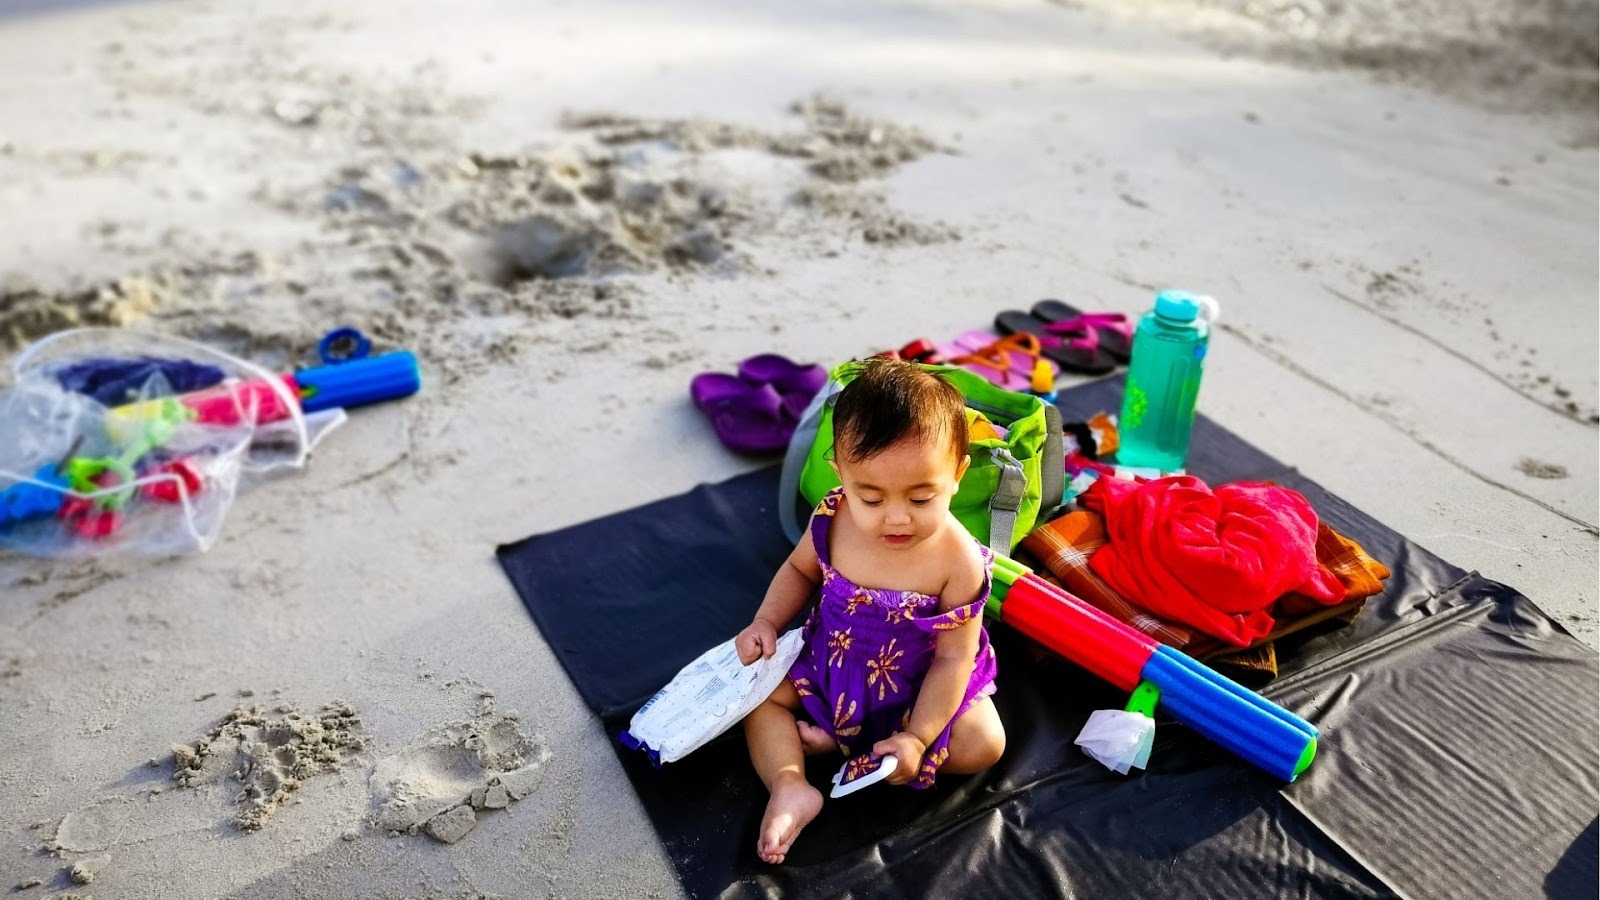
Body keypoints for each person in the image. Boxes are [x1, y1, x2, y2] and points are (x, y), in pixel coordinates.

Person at [735, 358, 1006, 865]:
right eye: (871, 496)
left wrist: (919, 737)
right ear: (841, 475)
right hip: (832, 665)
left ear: (957, 476)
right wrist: (766, 622)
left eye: (921, 497)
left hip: (917, 689)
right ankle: (791, 784)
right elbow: (798, 572)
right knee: (757, 695)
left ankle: (858, 746)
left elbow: (953, 661)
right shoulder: (833, 516)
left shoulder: (958, 559)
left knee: (985, 743)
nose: (897, 517)